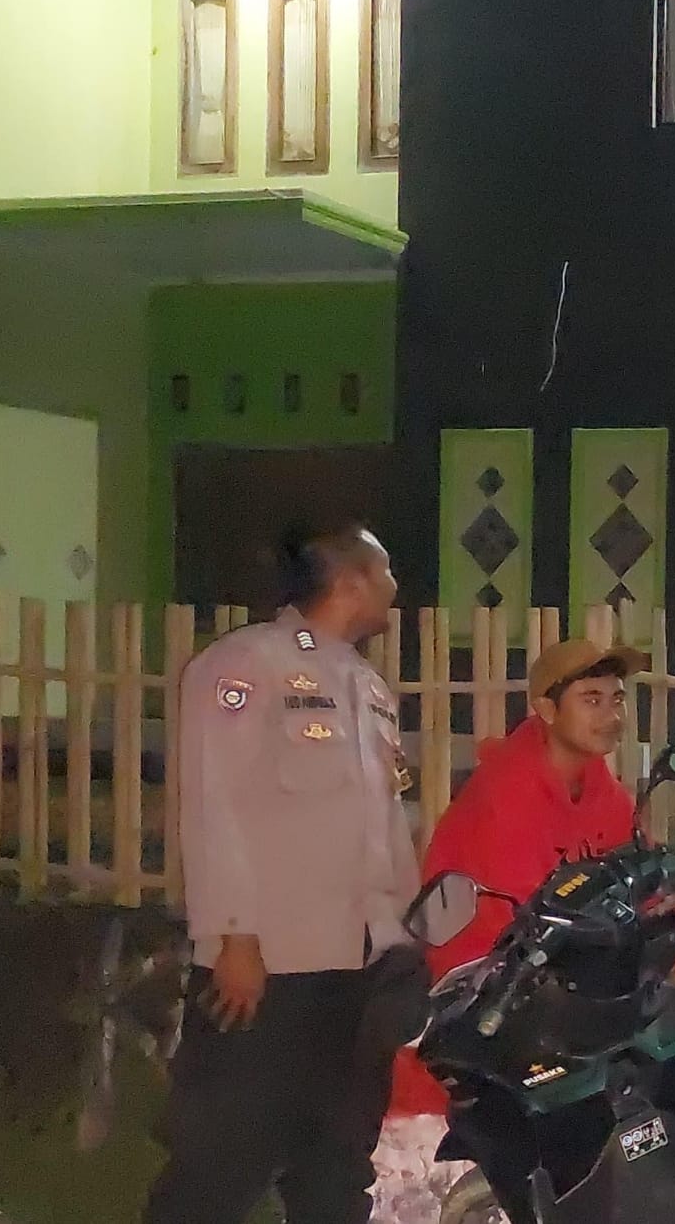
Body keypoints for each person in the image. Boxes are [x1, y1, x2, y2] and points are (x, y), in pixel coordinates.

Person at [145, 522, 430, 1224]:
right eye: (387, 570)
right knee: (220, 1167)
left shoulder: (367, 688)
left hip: (357, 969)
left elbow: (380, 827)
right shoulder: (245, 664)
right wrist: (234, 935)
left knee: (336, 1166)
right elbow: (214, 803)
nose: (396, 587)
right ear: (352, 580)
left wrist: (403, 937)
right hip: (270, 969)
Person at [421, 637, 675, 1010]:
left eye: (617, 699)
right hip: (492, 982)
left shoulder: (607, 795)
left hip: (573, 959)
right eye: (592, 700)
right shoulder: (504, 795)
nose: (612, 717)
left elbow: (648, 893)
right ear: (547, 709)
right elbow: (535, 925)